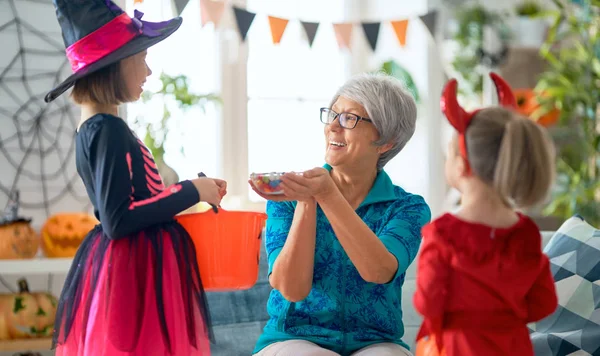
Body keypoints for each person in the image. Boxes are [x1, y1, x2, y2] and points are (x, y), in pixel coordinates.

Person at [45, 0, 226, 354]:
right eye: (141, 59)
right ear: (115, 66)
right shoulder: (107, 129)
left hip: (134, 264)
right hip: (133, 271)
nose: (148, 71)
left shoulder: (98, 127)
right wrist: (192, 190)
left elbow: (132, 201)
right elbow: (119, 218)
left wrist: (190, 190)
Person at [250, 73, 431, 356]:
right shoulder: (287, 199)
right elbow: (291, 289)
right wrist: (307, 202)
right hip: (293, 338)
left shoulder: (407, 208)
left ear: (386, 141)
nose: (333, 127)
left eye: (350, 119)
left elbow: (379, 271)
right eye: (332, 115)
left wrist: (327, 195)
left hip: (376, 342)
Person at [413, 72, 558, 356]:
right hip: (514, 345)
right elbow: (544, 302)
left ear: (461, 165)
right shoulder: (526, 231)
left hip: (458, 347)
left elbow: (426, 303)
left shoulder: (442, 232)